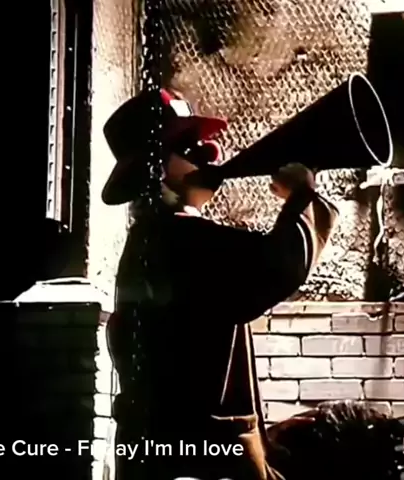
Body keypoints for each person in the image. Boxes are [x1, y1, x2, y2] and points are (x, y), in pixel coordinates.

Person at [102, 88, 338, 480]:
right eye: (187, 146)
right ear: (154, 168)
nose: (209, 153)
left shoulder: (156, 237)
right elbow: (279, 265)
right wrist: (301, 197)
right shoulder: (179, 239)